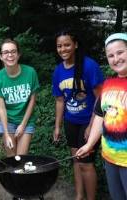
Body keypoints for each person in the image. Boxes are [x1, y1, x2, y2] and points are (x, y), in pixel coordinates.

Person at [52, 28, 104, 200]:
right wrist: (57, 126)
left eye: (67, 45)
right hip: (70, 121)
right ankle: (79, 196)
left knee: (85, 163)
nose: (63, 49)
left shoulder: (89, 66)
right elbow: (60, 101)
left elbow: (101, 97)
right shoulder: (58, 71)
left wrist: (91, 125)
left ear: (75, 45)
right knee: (76, 160)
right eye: (59, 46)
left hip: (89, 122)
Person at [76, 33, 127, 200]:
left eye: (120, 52)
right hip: (110, 157)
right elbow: (99, 116)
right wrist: (90, 144)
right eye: (110, 55)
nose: (116, 59)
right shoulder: (108, 84)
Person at [0, 38, 39, 157]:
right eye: (6, 52)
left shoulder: (30, 72)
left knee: (21, 158)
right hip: (8, 122)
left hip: (26, 120)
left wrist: (23, 124)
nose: (10, 55)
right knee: (12, 159)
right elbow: (2, 109)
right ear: (1, 56)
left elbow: (32, 100)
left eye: (13, 51)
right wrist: (6, 133)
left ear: (18, 54)